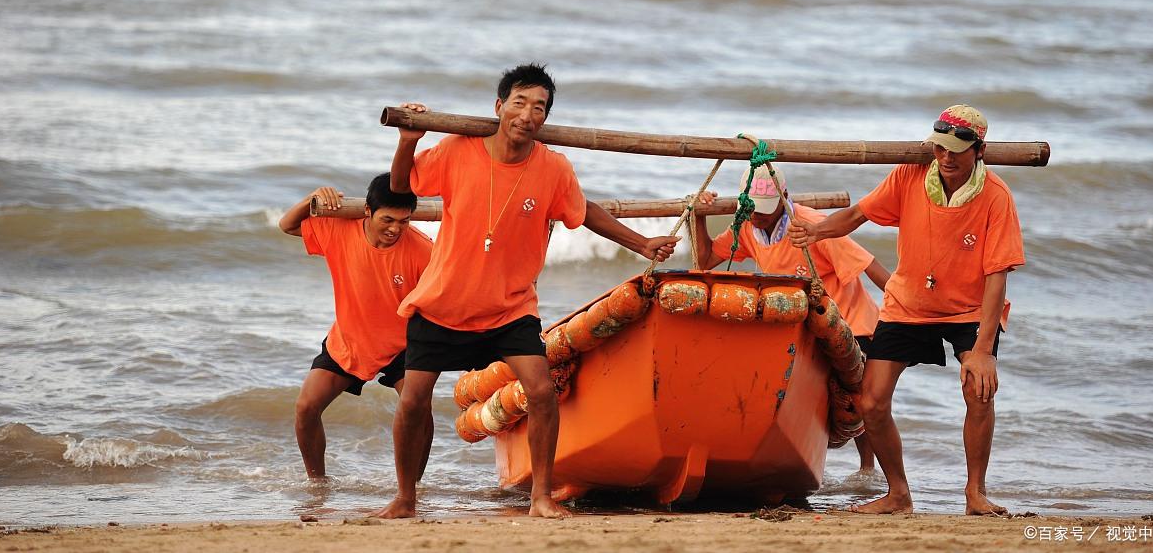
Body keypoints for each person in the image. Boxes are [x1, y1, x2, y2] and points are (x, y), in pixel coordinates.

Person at [380, 63, 680, 519]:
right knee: (414, 400)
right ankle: (405, 498)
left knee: (541, 392)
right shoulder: (458, 150)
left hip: (509, 308)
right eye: (519, 102)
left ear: (544, 118)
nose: (527, 113)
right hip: (443, 303)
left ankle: (540, 497)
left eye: (538, 107)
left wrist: (642, 244)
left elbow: (585, 211)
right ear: (499, 106)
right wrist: (407, 140)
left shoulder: (553, 168)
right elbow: (403, 186)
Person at [788, 105, 1024, 516]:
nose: (947, 158)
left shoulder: (996, 197)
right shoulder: (909, 175)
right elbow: (859, 214)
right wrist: (817, 230)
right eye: (939, 148)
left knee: (979, 391)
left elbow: (997, 275)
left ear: (979, 150)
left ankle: (975, 493)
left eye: (957, 150)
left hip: (968, 309)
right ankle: (898, 494)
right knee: (872, 402)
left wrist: (983, 350)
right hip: (908, 303)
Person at [692, 164, 891, 474]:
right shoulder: (746, 227)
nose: (758, 215)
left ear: (784, 198)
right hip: (802, 325)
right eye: (753, 209)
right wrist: (699, 215)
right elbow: (705, 261)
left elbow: (868, 264)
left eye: (766, 210)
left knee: (857, 399)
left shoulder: (811, 226)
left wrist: (905, 308)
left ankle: (868, 469)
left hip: (851, 322)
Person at [277, 173, 434, 481]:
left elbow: (447, 293)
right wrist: (312, 200)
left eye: (403, 221)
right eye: (387, 219)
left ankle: (412, 487)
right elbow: (287, 225)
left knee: (419, 412)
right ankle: (317, 484)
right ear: (367, 211)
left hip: (404, 345)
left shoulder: (423, 250)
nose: (395, 229)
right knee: (306, 408)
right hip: (350, 340)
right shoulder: (339, 230)